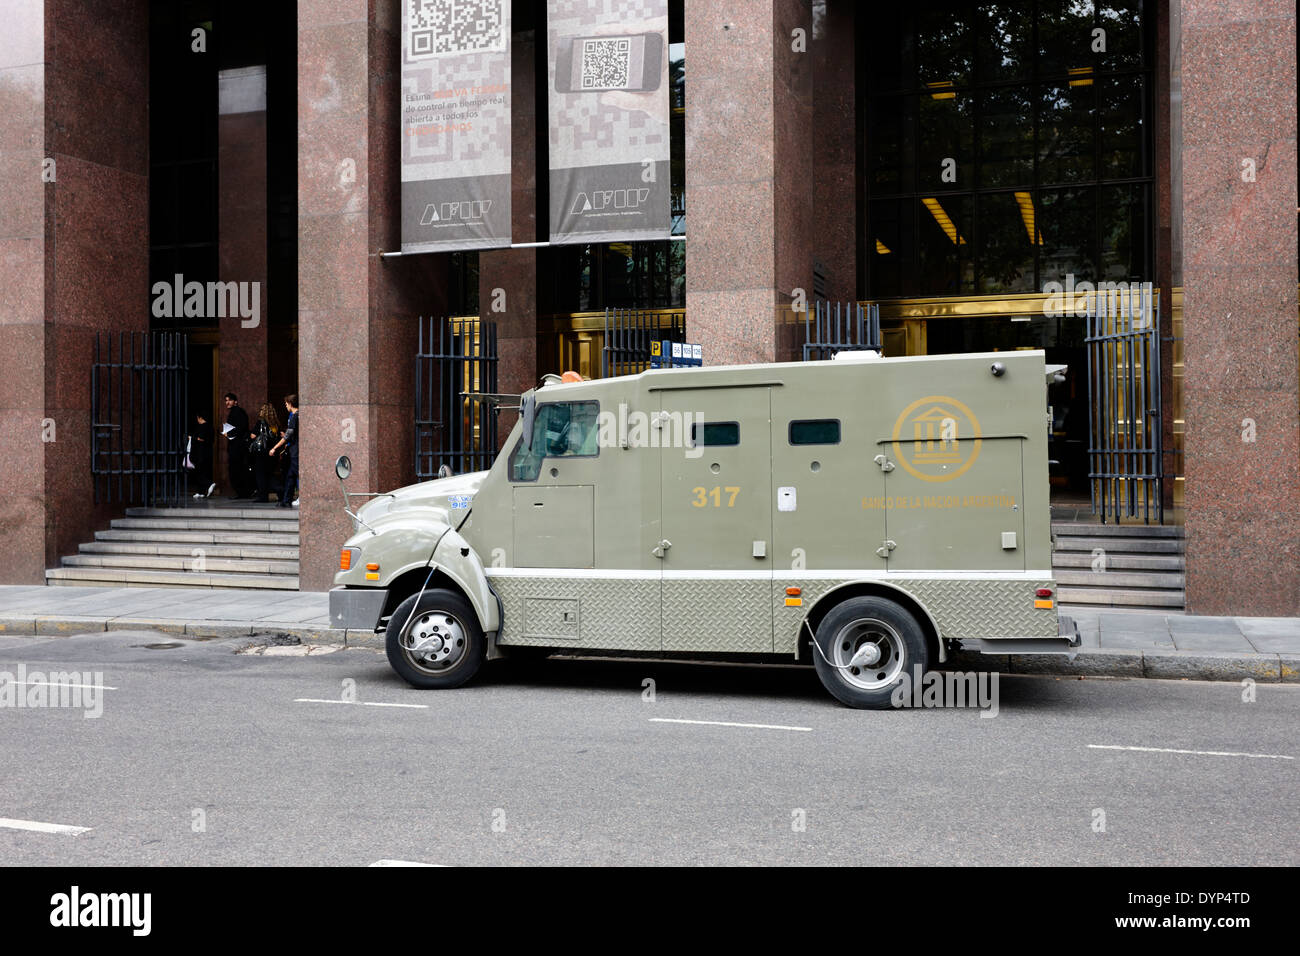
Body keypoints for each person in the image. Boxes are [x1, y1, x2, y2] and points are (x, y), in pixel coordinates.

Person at [269, 394, 299, 508]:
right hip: (295, 450)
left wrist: (274, 448)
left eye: (286, 404)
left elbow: (288, 436)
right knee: (290, 476)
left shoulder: (295, 416)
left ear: (290, 404)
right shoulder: (300, 415)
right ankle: (286, 500)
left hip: (296, 451)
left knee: (296, 474)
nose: (286, 406)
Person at [223, 392, 253, 499]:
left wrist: (229, 434)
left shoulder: (238, 412)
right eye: (226, 400)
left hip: (238, 446)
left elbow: (241, 428)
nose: (227, 402)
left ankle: (243, 492)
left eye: (229, 400)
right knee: (237, 469)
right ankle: (243, 492)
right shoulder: (236, 412)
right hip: (237, 446)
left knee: (237, 469)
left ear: (235, 401)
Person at [250, 402, 280, 503]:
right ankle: (280, 490)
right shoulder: (275, 423)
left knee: (261, 474)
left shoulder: (261, 422)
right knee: (270, 474)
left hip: (262, 452)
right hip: (273, 451)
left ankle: (263, 497)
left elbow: (253, 436)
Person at [188, 412, 216, 498]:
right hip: (208, 453)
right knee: (204, 471)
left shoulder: (202, 427)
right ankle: (201, 492)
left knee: (198, 472)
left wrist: (192, 438)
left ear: (200, 418)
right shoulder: (211, 427)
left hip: (200, 453)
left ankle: (209, 483)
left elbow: (201, 439)